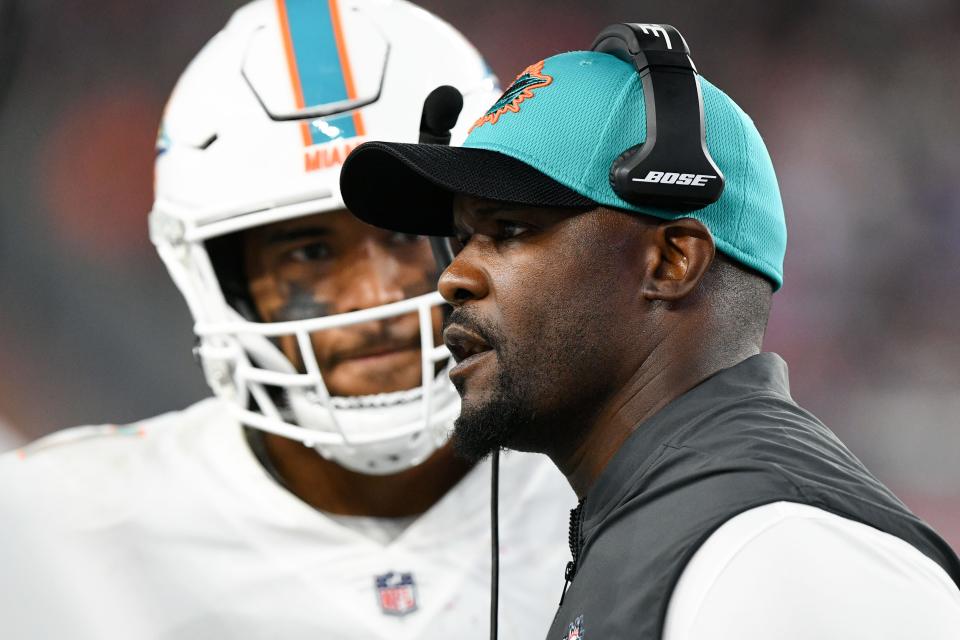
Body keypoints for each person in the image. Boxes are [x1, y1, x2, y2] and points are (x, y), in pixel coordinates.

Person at [339, 23, 960, 640]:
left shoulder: (785, 552)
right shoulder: (686, 524)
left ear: (670, 262)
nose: (452, 277)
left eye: (508, 230)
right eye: (460, 238)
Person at [0, 1, 573, 638]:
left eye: (408, 234)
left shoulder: (622, 482)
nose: (374, 297)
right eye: (311, 252)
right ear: (224, 277)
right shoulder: (45, 528)